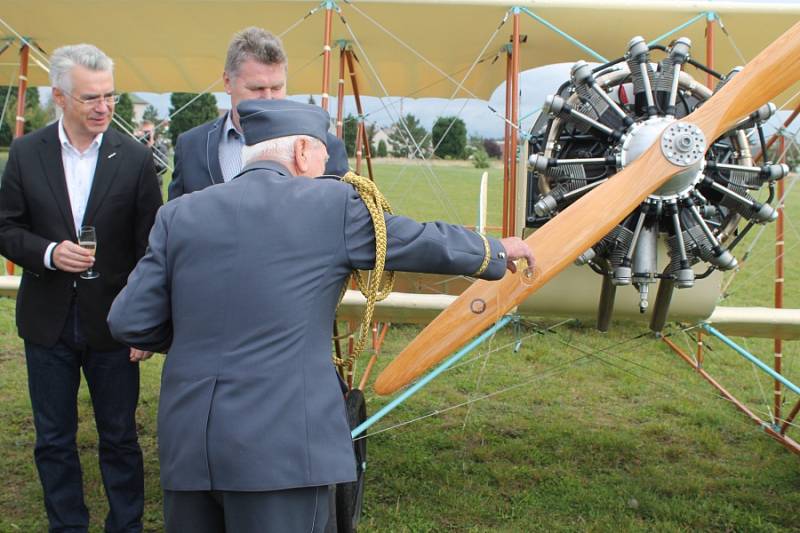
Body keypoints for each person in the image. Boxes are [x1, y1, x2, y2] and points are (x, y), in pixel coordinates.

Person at [108, 98, 534, 532]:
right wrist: (495, 250)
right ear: (300, 152)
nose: (329, 160)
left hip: (190, 448)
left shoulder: (179, 212)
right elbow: (416, 240)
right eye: (323, 150)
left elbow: (129, 321)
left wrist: (205, 333)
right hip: (283, 451)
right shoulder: (332, 204)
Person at [0, 44, 163, 532]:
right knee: (52, 438)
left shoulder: (134, 159)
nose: (104, 107)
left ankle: (125, 525)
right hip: (46, 322)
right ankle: (66, 525)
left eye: (110, 95)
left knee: (119, 436)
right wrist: (50, 253)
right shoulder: (27, 152)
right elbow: (5, 228)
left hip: (114, 325)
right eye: (91, 97)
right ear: (60, 97)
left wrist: (144, 325)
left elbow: (151, 250)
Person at [167, 26, 348, 201]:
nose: (268, 98)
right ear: (228, 82)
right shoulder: (191, 147)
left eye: (276, 87)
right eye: (256, 88)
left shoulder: (324, 147)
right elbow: (177, 224)